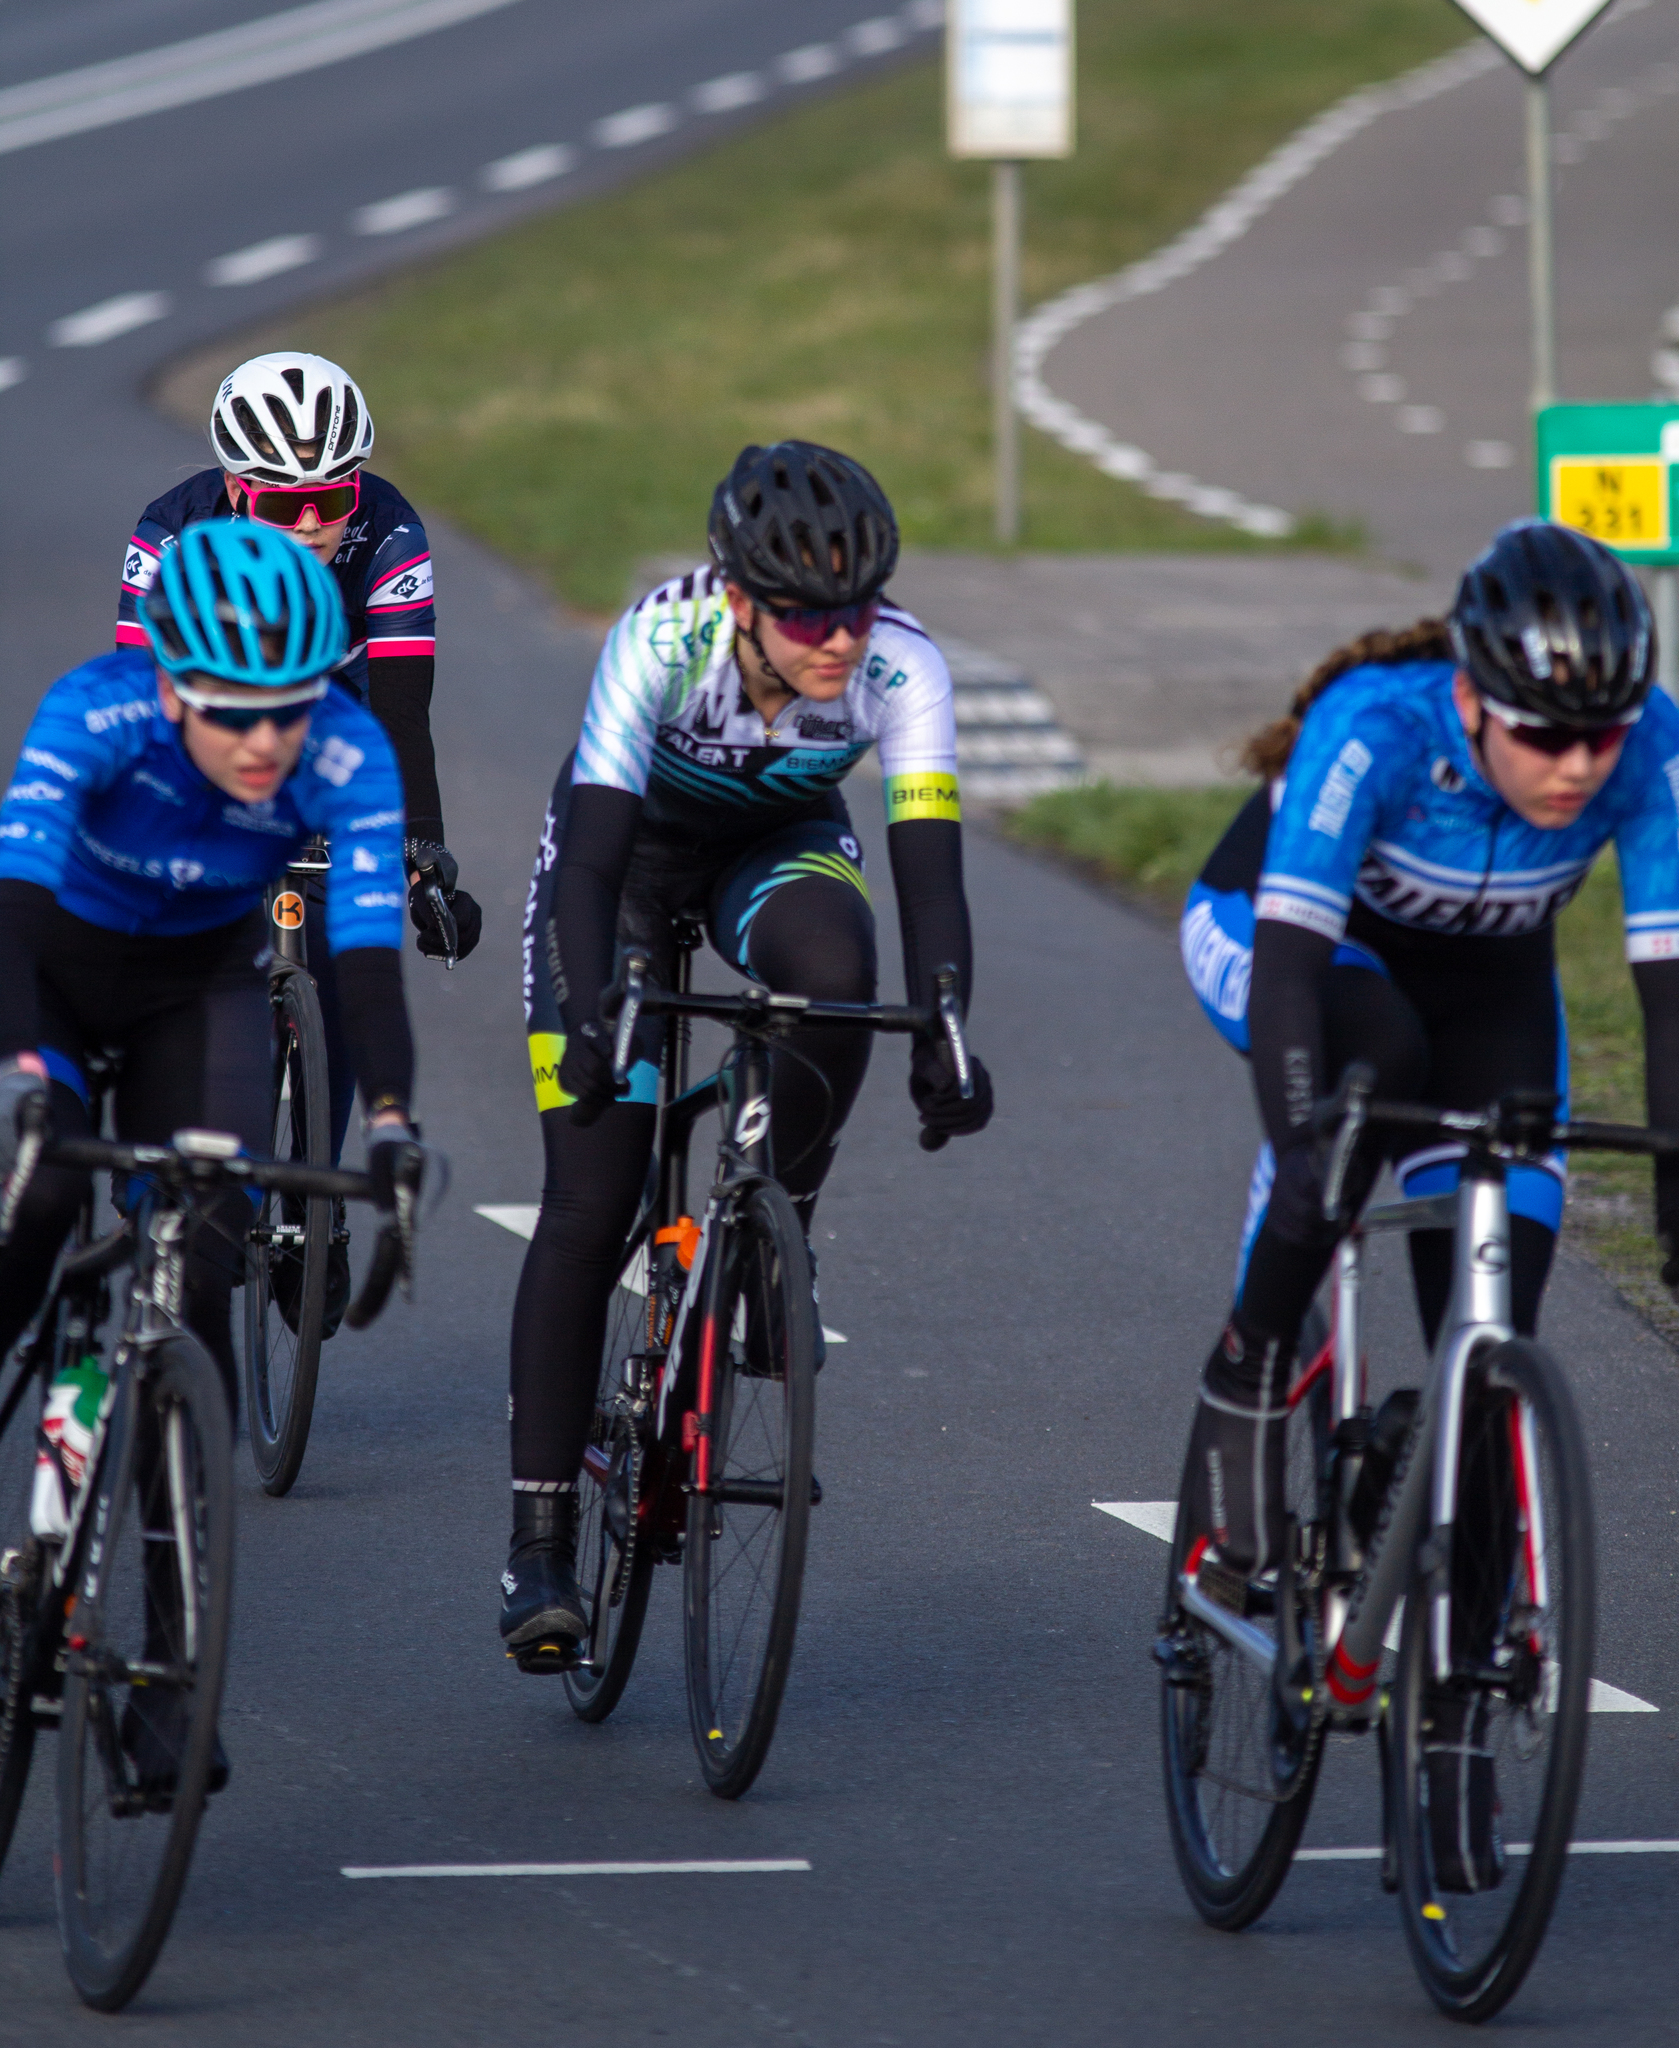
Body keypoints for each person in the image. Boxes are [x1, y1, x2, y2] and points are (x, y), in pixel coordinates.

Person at [1178, 520, 1679, 1889]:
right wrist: (1305, 1145)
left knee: (1496, 1335)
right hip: (1292, 945)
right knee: (1366, 1094)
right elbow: (1295, 964)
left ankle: (1457, 1741)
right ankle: (1251, 1369)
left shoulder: (1651, 745)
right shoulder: (1374, 727)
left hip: (1491, 989)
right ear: (1474, 700)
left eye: (1599, 738)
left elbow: (1672, 996)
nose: (1578, 767)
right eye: (1545, 736)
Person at [501, 441, 995, 1670]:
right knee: (590, 1194)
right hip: (620, 873)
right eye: (805, 616)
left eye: (857, 608)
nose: (837, 640)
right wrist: (600, 1018)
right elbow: (593, 865)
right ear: (737, 597)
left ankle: (780, 1235)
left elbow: (932, 883)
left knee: (839, 975)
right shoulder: (660, 642)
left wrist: (948, 1029)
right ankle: (541, 1542)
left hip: (774, 848)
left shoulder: (902, 664)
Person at [0, 522, 425, 1791]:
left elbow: (362, 961)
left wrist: (394, 1126)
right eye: (234, 712)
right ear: (171, 684)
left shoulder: (349, 754)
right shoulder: (92, 716)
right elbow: (9, 923)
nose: (264, 744)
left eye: (289, 711)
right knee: (52, 1191)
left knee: (209, 1261)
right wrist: (28, 1082)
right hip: (58, 980)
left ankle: (173, 1683)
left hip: (201, 988)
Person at [115, 352, 478, 1251]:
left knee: (343, 961)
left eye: (335, 495)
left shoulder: (388, 529)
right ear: (239, 491)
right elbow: (134, 702)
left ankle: (315, 1209)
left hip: (332, 734)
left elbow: (401, 709)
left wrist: (423, 856)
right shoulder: (170, 534)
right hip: (207, 730)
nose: (313, 522)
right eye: (285, 503)